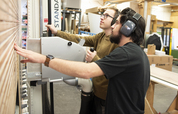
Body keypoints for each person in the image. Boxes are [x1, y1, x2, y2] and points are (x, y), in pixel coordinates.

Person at [14, 7, 150, 114]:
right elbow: (79, 39)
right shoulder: (137, 53)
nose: (114, 26)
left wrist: (44, 59)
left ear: (127, 29)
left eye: (117, 23)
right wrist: (58, 33)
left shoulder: (126, 53)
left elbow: (87, 71)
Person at [46, 7, 120, 113]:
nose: (102, 18)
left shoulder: (117, 42)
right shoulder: (101, 36)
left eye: (106, 15)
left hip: (105, 95)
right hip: (95, 89)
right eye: (102, 15)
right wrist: (57, 32)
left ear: (114, 21)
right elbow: (79, 39)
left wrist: (94, 58)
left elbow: (110, 70)